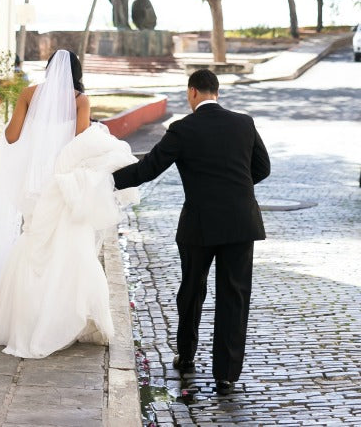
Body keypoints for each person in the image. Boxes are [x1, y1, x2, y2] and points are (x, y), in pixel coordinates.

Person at [0, 49, 138, 358]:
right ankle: (58, 319)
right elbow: (79, 145)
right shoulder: (79, 101)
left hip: (33, 185)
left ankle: (22, 322)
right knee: (68, 247)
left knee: (33, 245)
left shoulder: (29, 94)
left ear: (49, 70)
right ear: (77, 74)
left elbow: (11, 136)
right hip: (61, 183)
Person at [113, 68, 270, 395]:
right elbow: (262, 168)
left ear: (192, 93)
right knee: (234, 296)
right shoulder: (244, 123)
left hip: (199, 224)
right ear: (216, 91)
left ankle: (185, 355)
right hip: (242, 222)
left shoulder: (182, 129)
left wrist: (107, 180)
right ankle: (226, 376)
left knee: (192, 291)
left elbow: (147, 169)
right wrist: (235, 190)